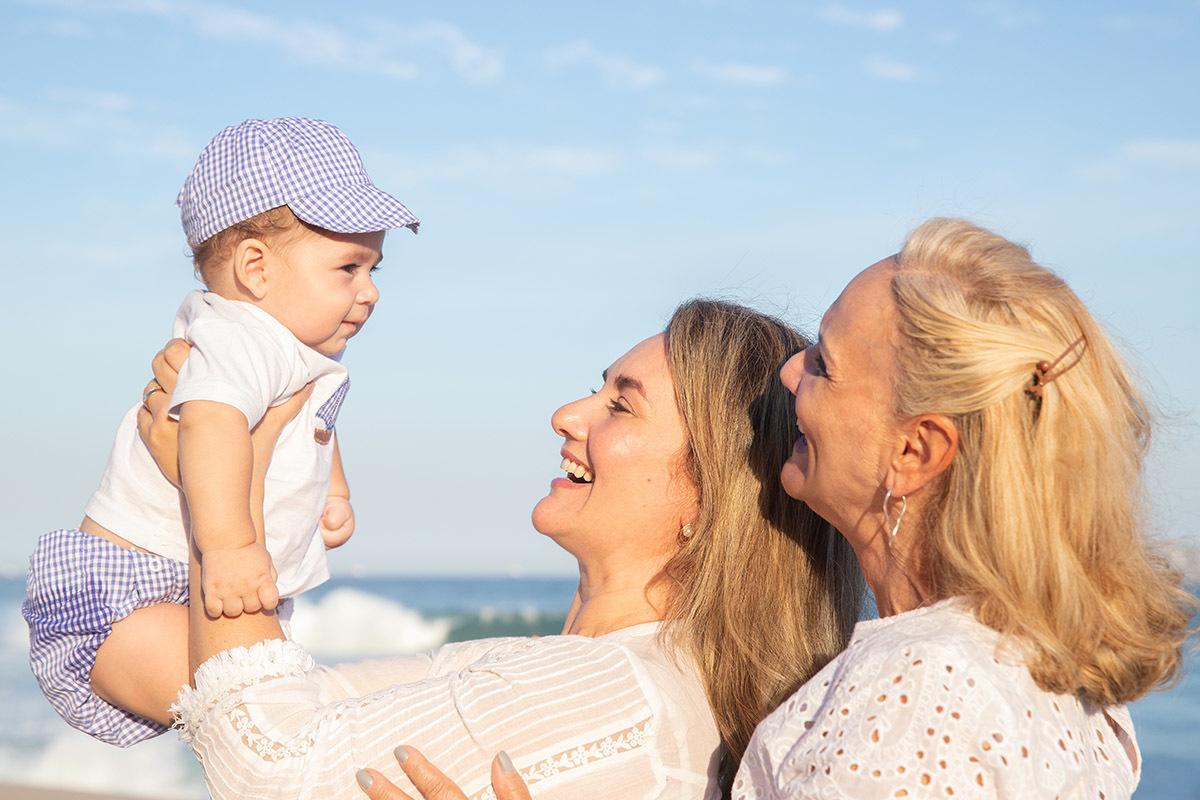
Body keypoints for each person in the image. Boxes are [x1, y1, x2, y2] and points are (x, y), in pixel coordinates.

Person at [138, 300, 864, 799]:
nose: (566, 414)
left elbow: (267, 768)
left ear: (706, 504)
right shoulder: (559, 667)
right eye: (597, 390)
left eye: (621, 405)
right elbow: (281, 704)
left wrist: (225, 491)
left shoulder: (613, 685)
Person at [731, 218, 1197, 798]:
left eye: (824, 363)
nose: (789, 371)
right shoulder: (1046, 677)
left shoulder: (917, 700)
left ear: (914, 452)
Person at [22, 117, 419, 747]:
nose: (369, 292)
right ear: (255, 268)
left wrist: (334, 491)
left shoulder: (291, 352)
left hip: (187, 584)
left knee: (267, 707)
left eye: (374, 269)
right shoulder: (237, 338)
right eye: (349, 267)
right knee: (251, 715)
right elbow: (209, 424)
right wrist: (230, 546)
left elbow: (314, 420)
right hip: (133, 596)